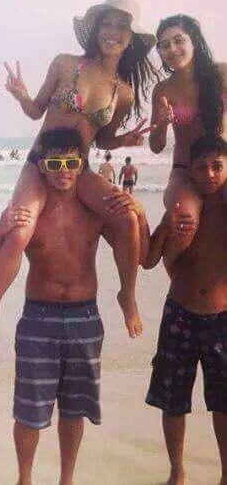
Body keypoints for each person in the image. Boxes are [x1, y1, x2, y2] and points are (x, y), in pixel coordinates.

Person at [0, 128, 147, 485]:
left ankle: (66, 480)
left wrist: (140, 214)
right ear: (41, 166)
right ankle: (25, 479)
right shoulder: (30, 213)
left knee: (74, 409)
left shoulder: (93, 211)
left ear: (82, 164)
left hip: (85, 317)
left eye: (71, 163)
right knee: (29, 411)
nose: (63, 171)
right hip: (39, 317)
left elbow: (135, 251)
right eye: (55, 164)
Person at [0, 0, 158, 336]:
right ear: (96, 29)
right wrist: (21, 95)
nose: (112, 32)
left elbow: (102, 139)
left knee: (127, 216)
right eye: (107, 23)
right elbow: (36, 111)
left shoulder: (122, 93)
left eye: (121, 26)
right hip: (40, 163)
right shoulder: (65, 64)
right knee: (21, 229)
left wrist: (123, 141)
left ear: (131, 38)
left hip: (79, 168)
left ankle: (127, 295)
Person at [142, 135, 227, 485]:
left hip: (222, 318)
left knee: (223, 402)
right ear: (189, 171)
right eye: (201, 167)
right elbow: (149, 259)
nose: (209, 174)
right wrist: (145, 219)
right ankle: (176, 470)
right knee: (172, 399)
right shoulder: (183, 209)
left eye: (217, 166)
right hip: (180, 314)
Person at [149, 14, 227, 264]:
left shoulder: (222, 74)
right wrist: (162, 124)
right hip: (185, 171)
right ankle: (178, 278)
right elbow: (156, 146)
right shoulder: (163, 90)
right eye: (164, 45)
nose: (172, 49)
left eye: (178, 40)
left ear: (193, 40)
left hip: (222, 168)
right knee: (185, 221)